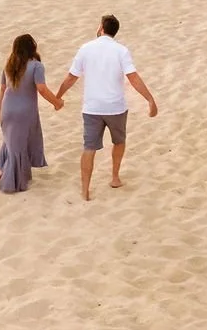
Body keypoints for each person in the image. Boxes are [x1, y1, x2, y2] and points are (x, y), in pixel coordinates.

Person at [54, 14, 158, 200]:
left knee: (89, 148)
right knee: (119, 141)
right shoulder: (121, 50)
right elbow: (133, 77)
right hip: (115, 107)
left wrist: (58, 97)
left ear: (101, 28)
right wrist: (149, 99)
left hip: (92, 108)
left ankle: (85, 190)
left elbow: (71, 77)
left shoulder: (85, 48)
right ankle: (115, 177)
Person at [0, 33, 63, 194]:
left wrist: (0, 110)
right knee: (20, 145)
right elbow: (41, 88)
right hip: (25, 111)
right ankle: (10, 180)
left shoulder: (9, 65)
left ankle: (6, 172)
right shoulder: (36, 66)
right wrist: (57, 102)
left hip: (8, 108)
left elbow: (2, 89)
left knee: (12, 143)